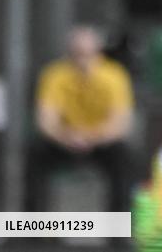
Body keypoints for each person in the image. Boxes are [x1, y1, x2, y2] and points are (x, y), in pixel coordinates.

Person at [25, 25, 135, 212]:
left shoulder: (115, 76)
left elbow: (120, 123)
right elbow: (46, 121)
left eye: (87, 54)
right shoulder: (54, 75)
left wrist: (91, 138)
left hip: (101, 143)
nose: (82, 60)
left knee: (123, 158)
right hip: (63, 140)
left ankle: (118, 231)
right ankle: (35, 227)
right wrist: (67, 137)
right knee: (35, 153)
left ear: (98, 52)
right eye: (77, 54)